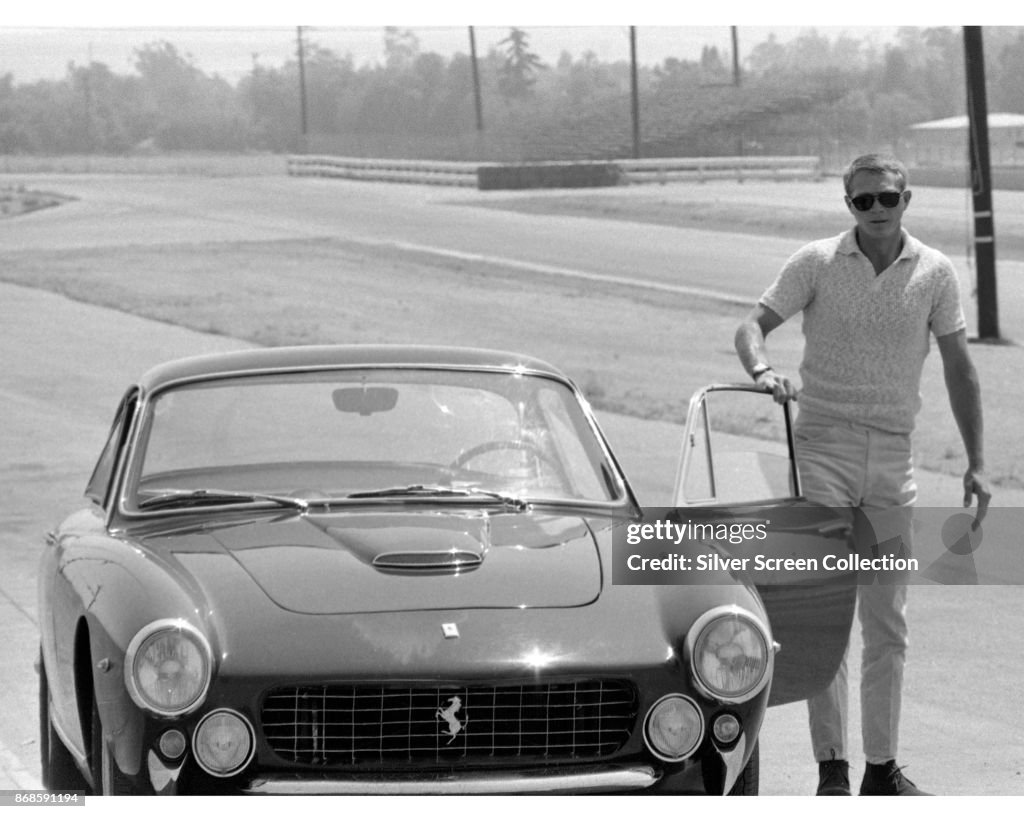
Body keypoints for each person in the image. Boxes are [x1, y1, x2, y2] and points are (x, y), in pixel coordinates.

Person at [734, 153, 990, 796]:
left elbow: (960, 369)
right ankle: (832, 769)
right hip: (823, 449)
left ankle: (881, 769)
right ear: (848, 204)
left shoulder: (935, 272)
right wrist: (763, 371)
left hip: (893, 460)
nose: (877, 209)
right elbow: (751, 326)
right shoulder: (817, 261)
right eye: (863, 200)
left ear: (908, 199)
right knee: (829, 615)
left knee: (887, 622)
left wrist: (978, 462)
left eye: (887, 198)